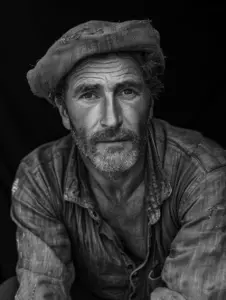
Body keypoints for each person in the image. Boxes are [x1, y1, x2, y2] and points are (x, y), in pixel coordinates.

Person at [2, 19, 226, 300]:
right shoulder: (39, 176)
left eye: (127, 91)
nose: (111, 119)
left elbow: (194, 293)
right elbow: (42, 288)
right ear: (63, 112)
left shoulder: (205, 172)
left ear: (150, 104)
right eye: (89, 94)